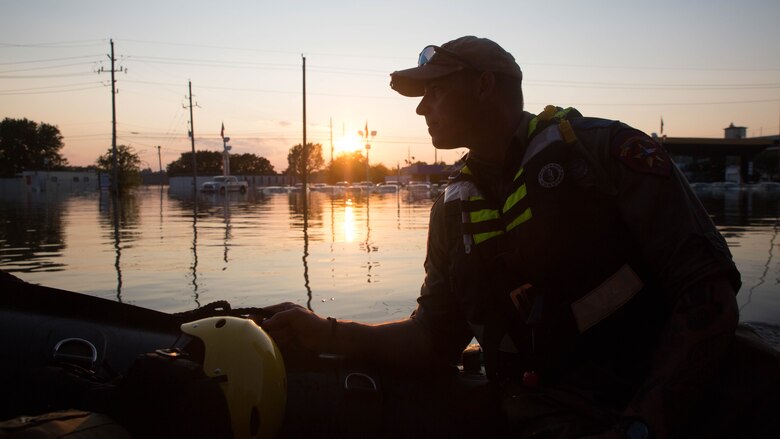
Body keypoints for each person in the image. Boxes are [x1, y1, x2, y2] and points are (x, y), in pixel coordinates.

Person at [263, 36, 779, 438]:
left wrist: (641, 428)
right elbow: (433, 341)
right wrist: (326, 331)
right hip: (546, 417)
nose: (422, 108)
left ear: (485, 86)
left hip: (670, 407)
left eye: (436, 90)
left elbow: (707, 296)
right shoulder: (451, 208)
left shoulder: (609, 154)